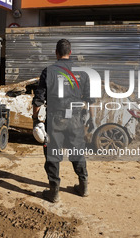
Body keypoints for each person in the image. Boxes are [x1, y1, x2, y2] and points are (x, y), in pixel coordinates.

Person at [32, 39, 95, 203]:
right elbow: (90, 100)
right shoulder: (83, 73)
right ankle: (84, 186)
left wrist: (35, 121)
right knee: (77, 151)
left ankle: (54, 192)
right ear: (70, 52)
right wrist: (90, 120)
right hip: (75, 118)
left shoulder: (49, 71)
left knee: (53, 154)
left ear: (56, 53)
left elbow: (38, 100)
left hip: (55, 119)